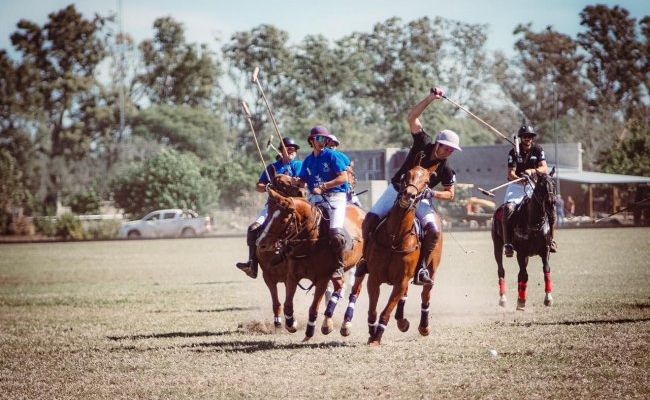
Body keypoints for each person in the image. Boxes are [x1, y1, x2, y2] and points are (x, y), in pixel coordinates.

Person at [361, 87, 461, 286]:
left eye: (451, 150)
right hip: (396, 191)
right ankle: (365, 259)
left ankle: (422, 267)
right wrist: (431, 99)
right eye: (446, 147)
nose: (447, 152)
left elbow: (451, 194)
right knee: (369, 220)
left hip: (421, 201)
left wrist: (432, 193)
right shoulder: (422, 144)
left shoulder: (446, 169)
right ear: (438, 144)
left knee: (433, 230)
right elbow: (412, 117)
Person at [235, 137, 302, 279]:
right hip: (273, 206)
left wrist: (296, 182)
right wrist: (267, 186)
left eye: (293, 149)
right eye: (288, 148)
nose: (291, 151)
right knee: (253, 229)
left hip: (294, 205)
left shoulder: (299, 166)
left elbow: (306, 184)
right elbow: (258, 186)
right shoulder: (272, 168)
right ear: (280, 150)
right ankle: (252, 264)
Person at [293, 126, 350, 282]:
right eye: (318, 139)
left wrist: (324, 186)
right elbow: (303, 181)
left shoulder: (332, 156)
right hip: (315, 198)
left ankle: (339, 265)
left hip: (335, 197)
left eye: (324, 139)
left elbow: (343, 178)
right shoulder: (308, 160)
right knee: (296, 227)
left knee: (335, 233)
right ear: (311, 141)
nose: (322, 141)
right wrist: (297, 181)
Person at [501, 125, 557, 257]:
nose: (527, 138)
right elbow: (510, 174)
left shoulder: (538, 149)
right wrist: (520, 179)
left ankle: (551, 240)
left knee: (549, 208)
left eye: (530, 136)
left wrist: (532, 171)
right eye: (525, 136)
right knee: (508, 209)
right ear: (521, 138)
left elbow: (544, 169)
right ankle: (508, 243)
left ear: (532, 138)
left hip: (535, 186)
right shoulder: (514, 152)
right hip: (517, 186)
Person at [328, 135, 362, 207]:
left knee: (358, 207)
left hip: (343, 189)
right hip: (326, 191)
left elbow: (349, 169)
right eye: (329, 145)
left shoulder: (340, 155)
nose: (331, 147)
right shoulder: (320, 158)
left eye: (333, 145)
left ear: (336, 147)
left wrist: (350, 187)